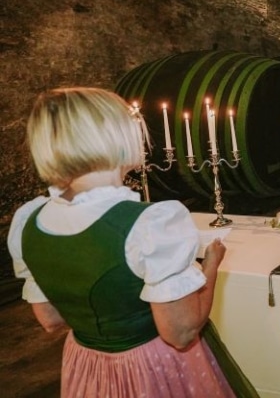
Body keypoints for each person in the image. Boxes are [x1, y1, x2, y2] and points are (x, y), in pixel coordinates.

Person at [8, 87, 235, 397]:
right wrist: (211, 264)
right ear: (115, 135)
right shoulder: (150, 222)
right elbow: (180, 333)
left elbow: (50, 318)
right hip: (150, 368)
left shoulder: (28, 221)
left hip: (85, 366)